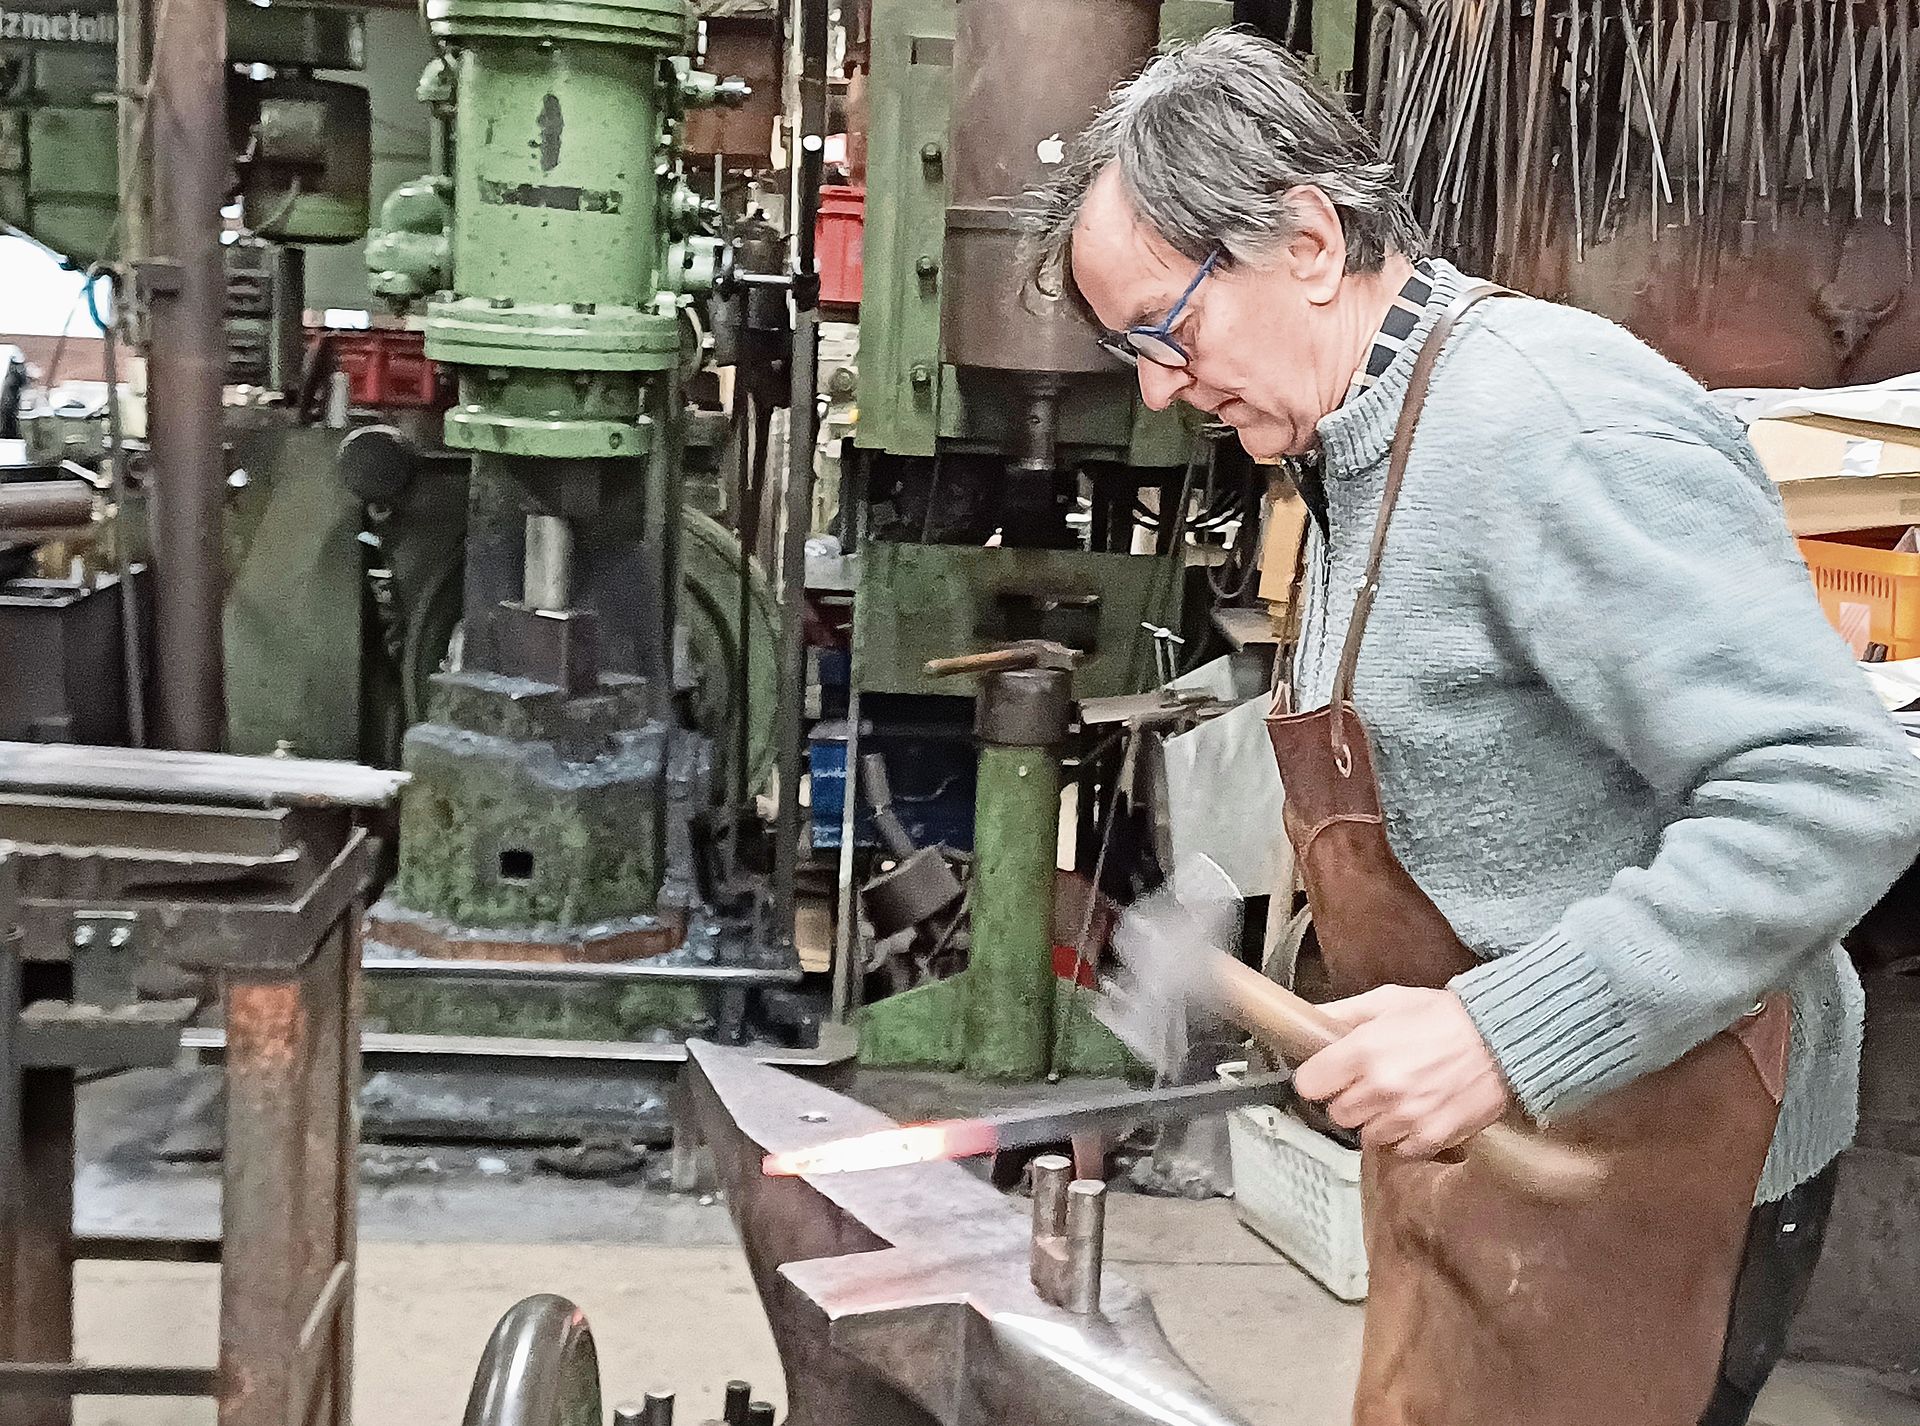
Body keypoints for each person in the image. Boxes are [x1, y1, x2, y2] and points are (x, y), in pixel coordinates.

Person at [1029, 28, 1920, 1426]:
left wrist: (1502, 1034)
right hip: (1487, 1159)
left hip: (1650, 1168)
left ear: (1309, 242)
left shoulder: (1547, 429)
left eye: (1168, 329)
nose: (1158, 386)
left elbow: (1837, 785)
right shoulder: (1349, 448)